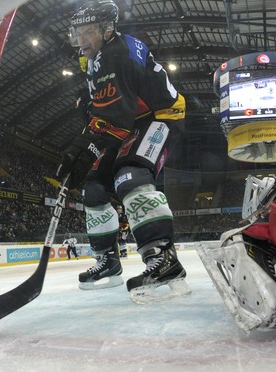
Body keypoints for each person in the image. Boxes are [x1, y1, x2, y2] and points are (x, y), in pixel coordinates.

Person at [56, 0, 190, 301]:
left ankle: (164, 258)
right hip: (128, 118)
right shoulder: (93, 55)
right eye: (78, 33)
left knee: (129, 176)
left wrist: (84, 145)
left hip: (159, 115)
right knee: (93, 189)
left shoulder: (117, 55)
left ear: (107, 30)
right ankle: (109, 261)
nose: (81, 40)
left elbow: (116, 118)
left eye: (88, 32)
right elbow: (108, 110)